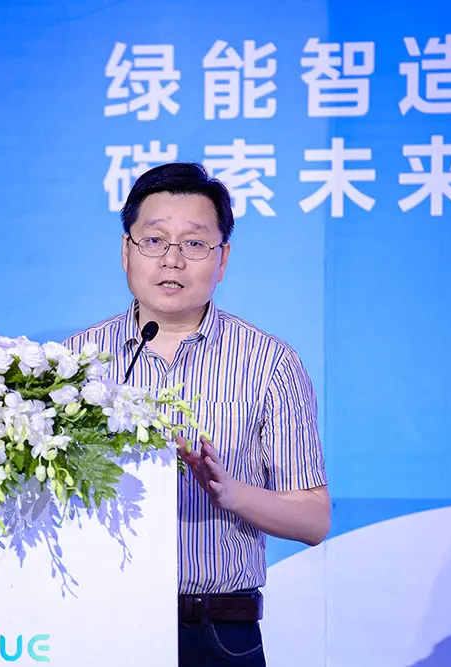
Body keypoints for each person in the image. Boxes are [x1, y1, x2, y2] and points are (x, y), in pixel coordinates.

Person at [63, 162, 330, 667]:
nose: (172, 259)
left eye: (194, 243)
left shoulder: (269, 362)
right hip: (98, 625)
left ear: (222, 258)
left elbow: (314, 520)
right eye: (154, 240)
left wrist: (231, 493)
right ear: (126, 251)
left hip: (217, 633)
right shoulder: (75, 362)